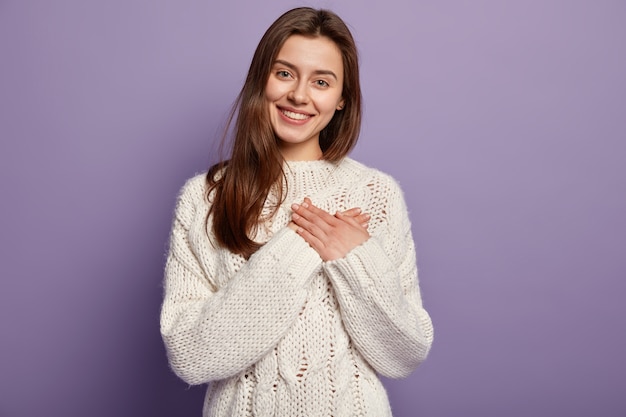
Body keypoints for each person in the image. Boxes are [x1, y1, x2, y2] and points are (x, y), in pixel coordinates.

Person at [160, 7, 434, 416]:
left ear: (342, 99)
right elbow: (190, 355)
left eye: (321, 82)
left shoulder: (376, 194)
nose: (300, 95)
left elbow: (404, 354)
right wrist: (301, 246)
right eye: (284, 73)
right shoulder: (205, 197)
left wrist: (355, 259)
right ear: (261, 80)